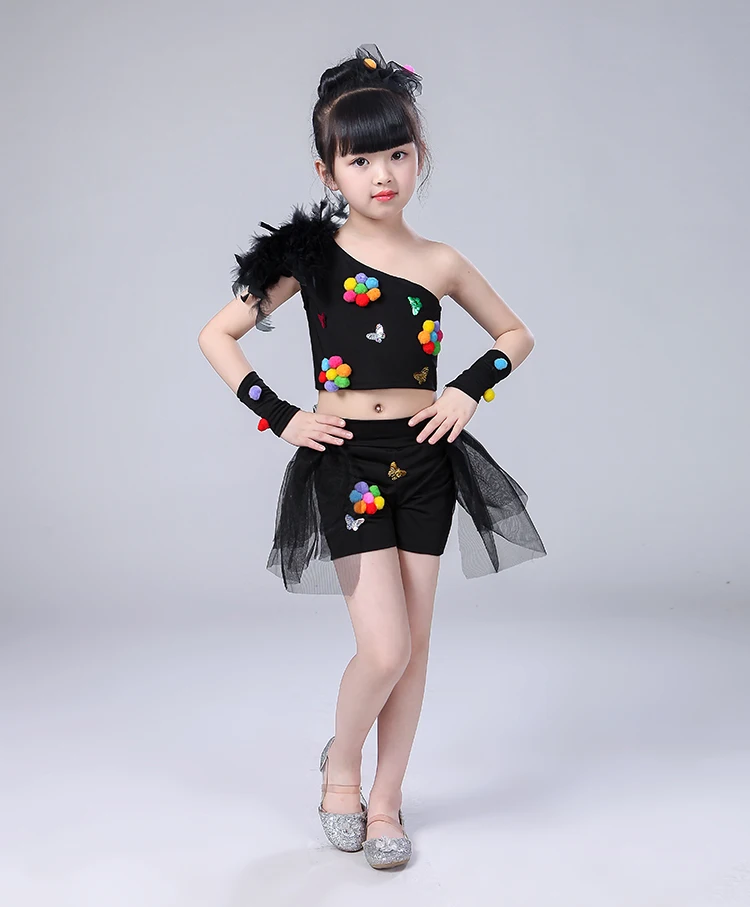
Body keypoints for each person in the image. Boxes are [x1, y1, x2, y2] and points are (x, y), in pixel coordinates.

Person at [198, 43, 547, 870]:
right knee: (382, 647)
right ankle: (342, 769)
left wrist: (467, 388)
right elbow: (217, 335)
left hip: (427, 457)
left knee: (415, 649)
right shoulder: (308, 257)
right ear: (327, 171)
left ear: (419, 155)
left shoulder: (440, 261)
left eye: (397, 153)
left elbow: (515, 334)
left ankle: (387, 800)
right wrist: (280, 415)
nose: (382, 174)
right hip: (347, 460)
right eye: (360, 160)